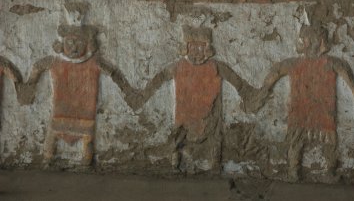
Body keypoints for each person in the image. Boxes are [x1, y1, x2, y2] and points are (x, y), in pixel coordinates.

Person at [127, 25, 256, 173]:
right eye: (192, 47)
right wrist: (143, 96)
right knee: (179, 136)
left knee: (214, 137)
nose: (196, 52)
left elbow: (237, 81)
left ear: (207, 48)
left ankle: (215, 163)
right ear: (186, 47)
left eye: (200, 47)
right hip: (184, 115)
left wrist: (249, 95)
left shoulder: (216, 66)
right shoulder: (179, 66)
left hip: (209, 116)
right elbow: (160, 78)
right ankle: (176, 160)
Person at [252, 24, 354, 182]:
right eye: (303, 40)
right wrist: (263, 92)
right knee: (296, 140)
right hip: (300, 106)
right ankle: (293, 171)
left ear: (317, 41)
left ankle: (329, 171)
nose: (303, 43)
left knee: (329, 139)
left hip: (324, 107)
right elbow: (275, 72)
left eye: (306, 39)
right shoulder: (294, 63)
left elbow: (349, 77)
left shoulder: (331, 62)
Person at [17, 24, 136, 166]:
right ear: (62, 44)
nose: (74, 47)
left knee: (86, 137)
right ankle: (48, 158)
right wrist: (30, 83)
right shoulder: (55, 61)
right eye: (70, 42)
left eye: (79, 42)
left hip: (85, 110)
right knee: (54, 133)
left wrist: (127, 90)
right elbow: (37, 66)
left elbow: (113, 72)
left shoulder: (94, 62)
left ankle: (85, 161)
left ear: (88, 44)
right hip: (61, 109)